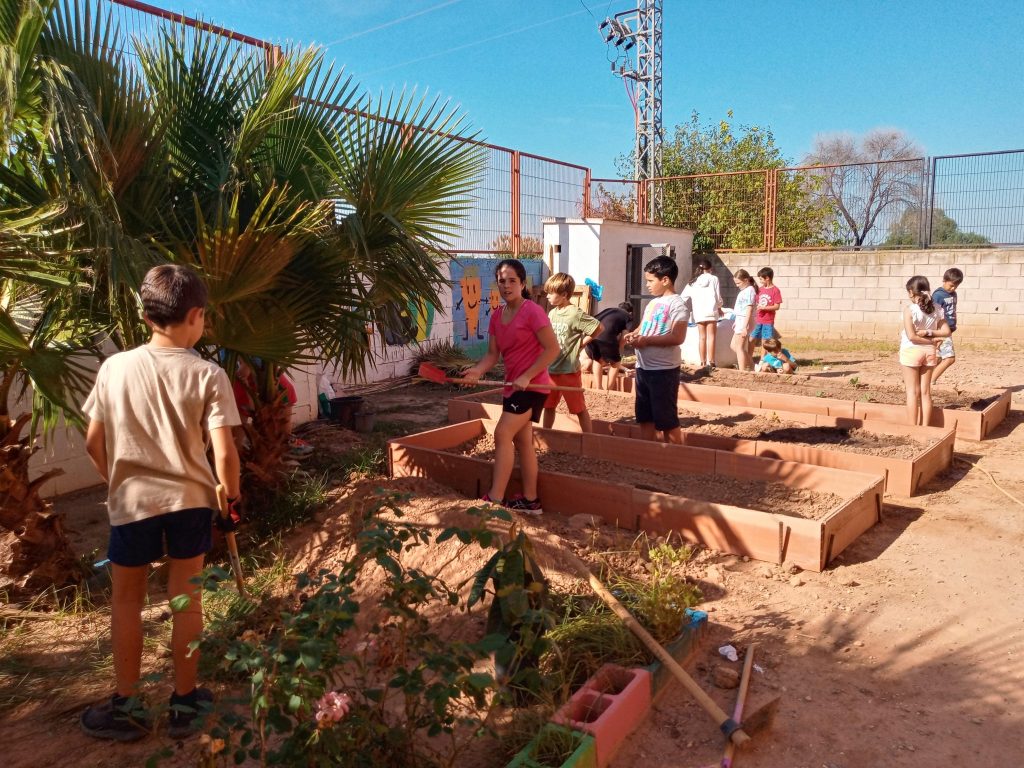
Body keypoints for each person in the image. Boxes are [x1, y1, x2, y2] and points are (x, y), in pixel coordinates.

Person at [81, 264, 241, 741]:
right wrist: (230, 498)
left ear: (147, 316)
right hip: (191, 502)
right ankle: (185, 704)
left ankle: (126, 707)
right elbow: (224, 453)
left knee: (126, 602)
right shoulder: (209, 374)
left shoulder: (114, 368)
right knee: (186, 600)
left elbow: (93, 442)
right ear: (195, 315)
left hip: (131, 503)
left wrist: (116, 480)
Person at [462, 259, 559, 515]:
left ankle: (494, 499)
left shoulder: (533, 311)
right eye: (502, 281)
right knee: (523, 441)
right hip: (513, 387)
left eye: (512, 280)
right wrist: (477, 371)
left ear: (523, 283)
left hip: (532, 387)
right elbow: (492, 354)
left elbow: (552, 349)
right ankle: (530, 501)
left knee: (502, 433)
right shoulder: (497, 315)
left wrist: (527, 376)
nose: (506, 286)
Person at [622, 256, 690, 443]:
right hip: (643, 368)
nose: (647, 285)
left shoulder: (678, 305)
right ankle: (648, 452)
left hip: (663, 371)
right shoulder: (653, 303)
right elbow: (643, 327)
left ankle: (675, 454)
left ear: (665, 280)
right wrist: (634, 334)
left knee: (667, 419)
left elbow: (678, 337)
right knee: (645, 416)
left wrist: (646, 341)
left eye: (650, 281)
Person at [541, 273, 602, 433]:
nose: (547, 296)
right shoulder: (552, 313)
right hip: (551, 370)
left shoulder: (575, 314)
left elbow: (598, 328)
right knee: (548, 406)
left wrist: (581, 343)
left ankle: (588, 438)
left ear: (564, 295)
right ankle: (547, 434)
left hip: (569, 371)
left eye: (551, 293)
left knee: (578, 408)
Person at [900, 275, 951, 426]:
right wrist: (931, 337)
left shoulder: (910, 310)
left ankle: (912, 429)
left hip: (911, 351)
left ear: (911, 292)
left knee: (912, 392)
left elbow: (912, 337)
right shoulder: (937, 308)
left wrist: (928, 338)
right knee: (925, 392)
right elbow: (946, 331)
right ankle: (925, 427)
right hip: (930, 352)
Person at [682, 259, 723, 369]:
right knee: (711, 337)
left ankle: (703, 362)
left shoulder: (692, 282)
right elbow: (717, 296)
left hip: (698, 312)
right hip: (711, 311)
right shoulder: (714, 279)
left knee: (702, 337)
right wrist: (719, 306)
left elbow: (683, 298)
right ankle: (712, 362)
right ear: (710, 269)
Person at [586, 301, 634, 391]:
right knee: (616, 363)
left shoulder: (609, 310)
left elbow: (593, 319)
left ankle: (599, 388)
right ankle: (609, 390)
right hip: (605, 335)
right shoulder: (628, 316)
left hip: (590, 334)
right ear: (630, 312)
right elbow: (625, 335)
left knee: (597, 359)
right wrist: (619, 349)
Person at [931, 267, 964, 383]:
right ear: (944, 280)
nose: (953, 288)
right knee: (949, 358)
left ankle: (923, 381)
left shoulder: (953, 294)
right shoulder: (938, 296)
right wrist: (935, 334)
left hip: (948, 331)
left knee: (938, 358)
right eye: (951, 285)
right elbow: (933, 315)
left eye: (956, 286)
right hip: (941, 331)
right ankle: (930, 381)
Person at [750, 267, 782, 359]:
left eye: (761, 279)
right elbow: (756, 302)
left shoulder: (775, 290)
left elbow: (777, 306)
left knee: (765, 341)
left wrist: (764, 308)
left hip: (768, 321)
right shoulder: (760, 290)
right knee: (751, 338)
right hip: (758, 320)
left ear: (767, 278)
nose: (760, 281)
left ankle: (762, 360)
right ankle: (749, 358)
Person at [730, 269, 757, 371]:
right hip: (740, 320)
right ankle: (752, 366)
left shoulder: (750, 290)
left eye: (738, 283)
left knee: (739, 347)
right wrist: (736, 321)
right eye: (736, 283)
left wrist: (745, 326)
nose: (737, 285)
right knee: (734, 346)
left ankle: (742, 370)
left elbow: (749, 309)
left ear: (746, 280)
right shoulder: (744, 290)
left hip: (744, 321)